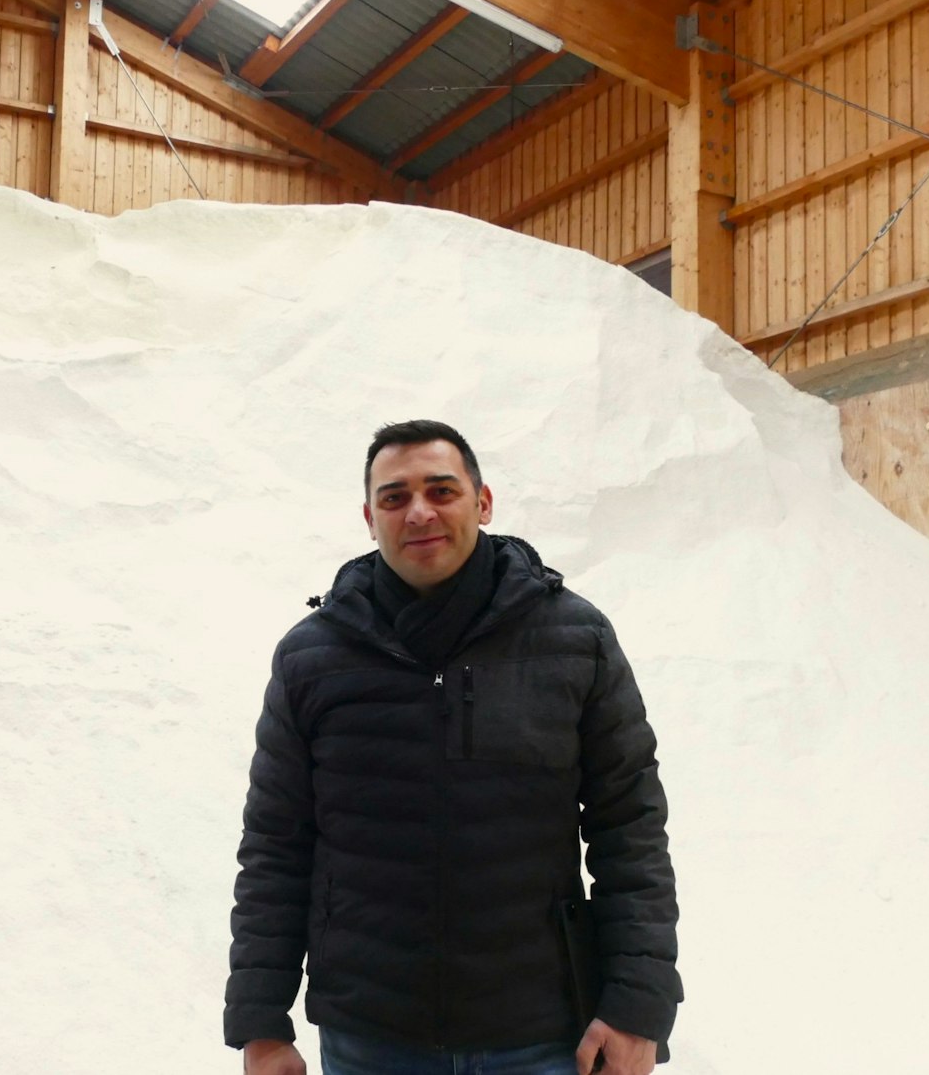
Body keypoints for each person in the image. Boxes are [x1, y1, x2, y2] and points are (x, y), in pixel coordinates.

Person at [225, 420, 682, 1075]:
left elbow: (631, 829)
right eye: (394, 496)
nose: (419, 512)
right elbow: (275, 846)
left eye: (442, 489)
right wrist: (260, 1021)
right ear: (368, 516)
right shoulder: (312, 658)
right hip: (371, 1037)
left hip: (541, 1035)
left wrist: (640, 1006)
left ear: (483, 501)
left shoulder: (573, 639)